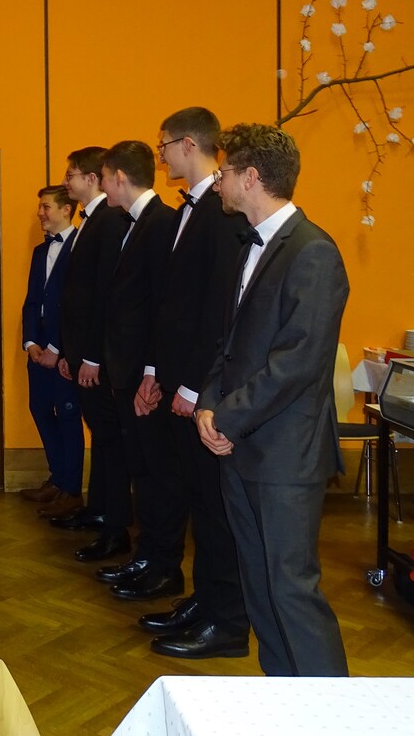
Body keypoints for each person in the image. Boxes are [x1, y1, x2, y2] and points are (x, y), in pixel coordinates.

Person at [197, 123, 349, 676]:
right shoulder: (253, 244)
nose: (218, 182)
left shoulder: (314, 252)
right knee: (260, 588)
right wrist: (208, 403)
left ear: (251, 177)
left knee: (291, 591)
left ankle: (333, 712)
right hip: (241, 447)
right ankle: (285, 701)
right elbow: (232, 344)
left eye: (225, 172)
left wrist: (226, 416)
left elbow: (298, 362)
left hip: (285, 454)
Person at [137, 107, 249, 660]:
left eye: (163, 146)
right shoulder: (194, 207)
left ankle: (226, 621)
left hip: (202, 389)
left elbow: (216, 313)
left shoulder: (221, 212)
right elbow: (173, 304)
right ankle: (205, 602)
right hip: (181, 380)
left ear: (187, 144)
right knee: (201, 504)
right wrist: (158, 372)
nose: (160, 156)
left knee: (214, 507)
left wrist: (190, 386)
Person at [88, 141, 179, 604]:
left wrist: (151, 371)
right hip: (126, 370)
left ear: (119, 177)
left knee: (157, 474)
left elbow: (162, 305)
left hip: (145, 375)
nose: (102, 185)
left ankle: (163, 565)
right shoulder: (134, 222)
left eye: (104, 177)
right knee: (142, 471)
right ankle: (147, 557)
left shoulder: (161, 223)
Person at [49, 148, 131, 541]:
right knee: (99, 435)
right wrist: (70, 351)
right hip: (82, 351)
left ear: (93, 178)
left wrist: (91, 357)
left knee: (109, 438)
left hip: (98, 356)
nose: (67, 182)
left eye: (72, 175)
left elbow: (104, 296)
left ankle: (113, 520)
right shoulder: (92, 219)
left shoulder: (110, 219)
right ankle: (98, 508)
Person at [18, 185, 83, 518]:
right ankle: (57, 479)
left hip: (65, 349)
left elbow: (76, 306)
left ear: (66, 209)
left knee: (68, 415)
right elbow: (32, 301)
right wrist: (30, 342)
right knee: (40, 409)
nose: (40, 213)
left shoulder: (81, 245)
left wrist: (57, 348)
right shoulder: (39, 251)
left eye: (46, 207)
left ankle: (71, 489)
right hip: (39, 347)